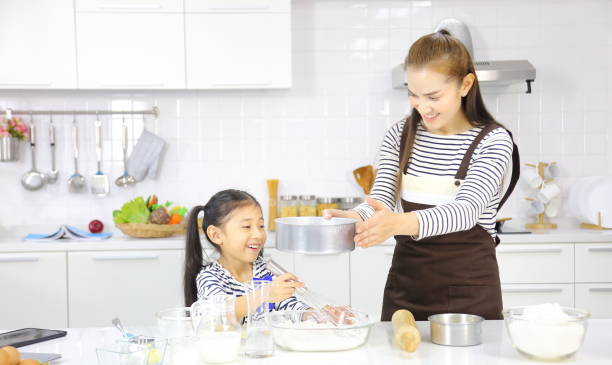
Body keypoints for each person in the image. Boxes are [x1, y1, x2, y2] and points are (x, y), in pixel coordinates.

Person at [324, 31, 520, 321]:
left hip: (470, 295)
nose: (422, 106)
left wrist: (396, 223)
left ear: (465, 84)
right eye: (413, 94)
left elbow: (466, 211)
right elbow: (382, 199)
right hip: (406, 289)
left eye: (433, 96)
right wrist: (358, 218)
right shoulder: (400, 135)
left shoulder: (493, 141)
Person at [183, 189, 309, 321]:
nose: (258, 234)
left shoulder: (265, 270)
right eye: (246, 226)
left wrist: (313, 314)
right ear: (216, 235)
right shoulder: (209, 278)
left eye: (261, 226)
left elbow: (290, 306)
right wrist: (265, 293)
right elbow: (219, 315)